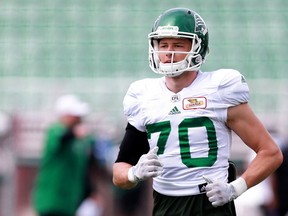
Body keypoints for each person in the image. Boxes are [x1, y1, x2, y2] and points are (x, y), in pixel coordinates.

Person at [112, 7, 283, 216]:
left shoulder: (219, 88)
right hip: (165, 205)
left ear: (197, 47)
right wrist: (133, 173)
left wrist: (235, 189)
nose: (169, 52)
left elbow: (270, 153)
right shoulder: (143, 95)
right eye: (163, 45)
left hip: (211, 204)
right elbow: (119, 172)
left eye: (177, 45)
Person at [32, 94, 102, 216]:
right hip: (52, 199)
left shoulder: (82, 139)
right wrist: (73, 133)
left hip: (71, 201)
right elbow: (61, 140)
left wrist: (91, 191)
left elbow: (86, 168)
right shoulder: (55, 130)